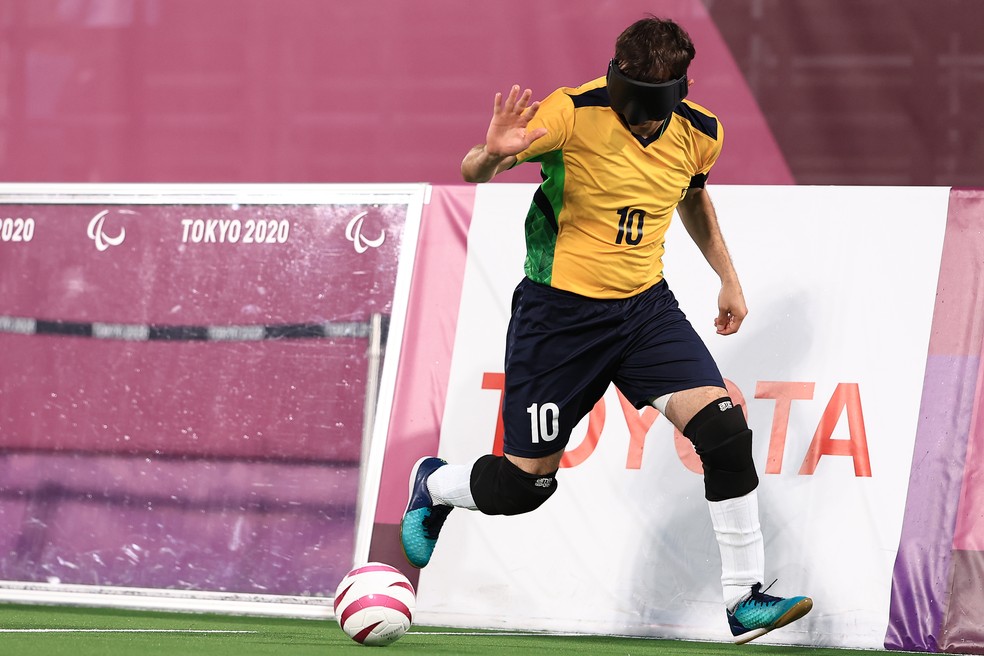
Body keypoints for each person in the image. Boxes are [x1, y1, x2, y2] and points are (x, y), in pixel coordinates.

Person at [400, 16, 812, 645]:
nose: (642, 123)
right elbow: (472, 172)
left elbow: (692, 198)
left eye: (653, 112)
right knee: (524, 486)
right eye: (631, 109)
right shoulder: (568, 113)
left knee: (726, 433)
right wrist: (490, 152)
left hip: (645, 312)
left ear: (683, 87)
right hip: (558, 320)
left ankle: (743, 598)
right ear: (615, 79)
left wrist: (728, 278)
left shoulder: (701, 132)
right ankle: (436, 483)